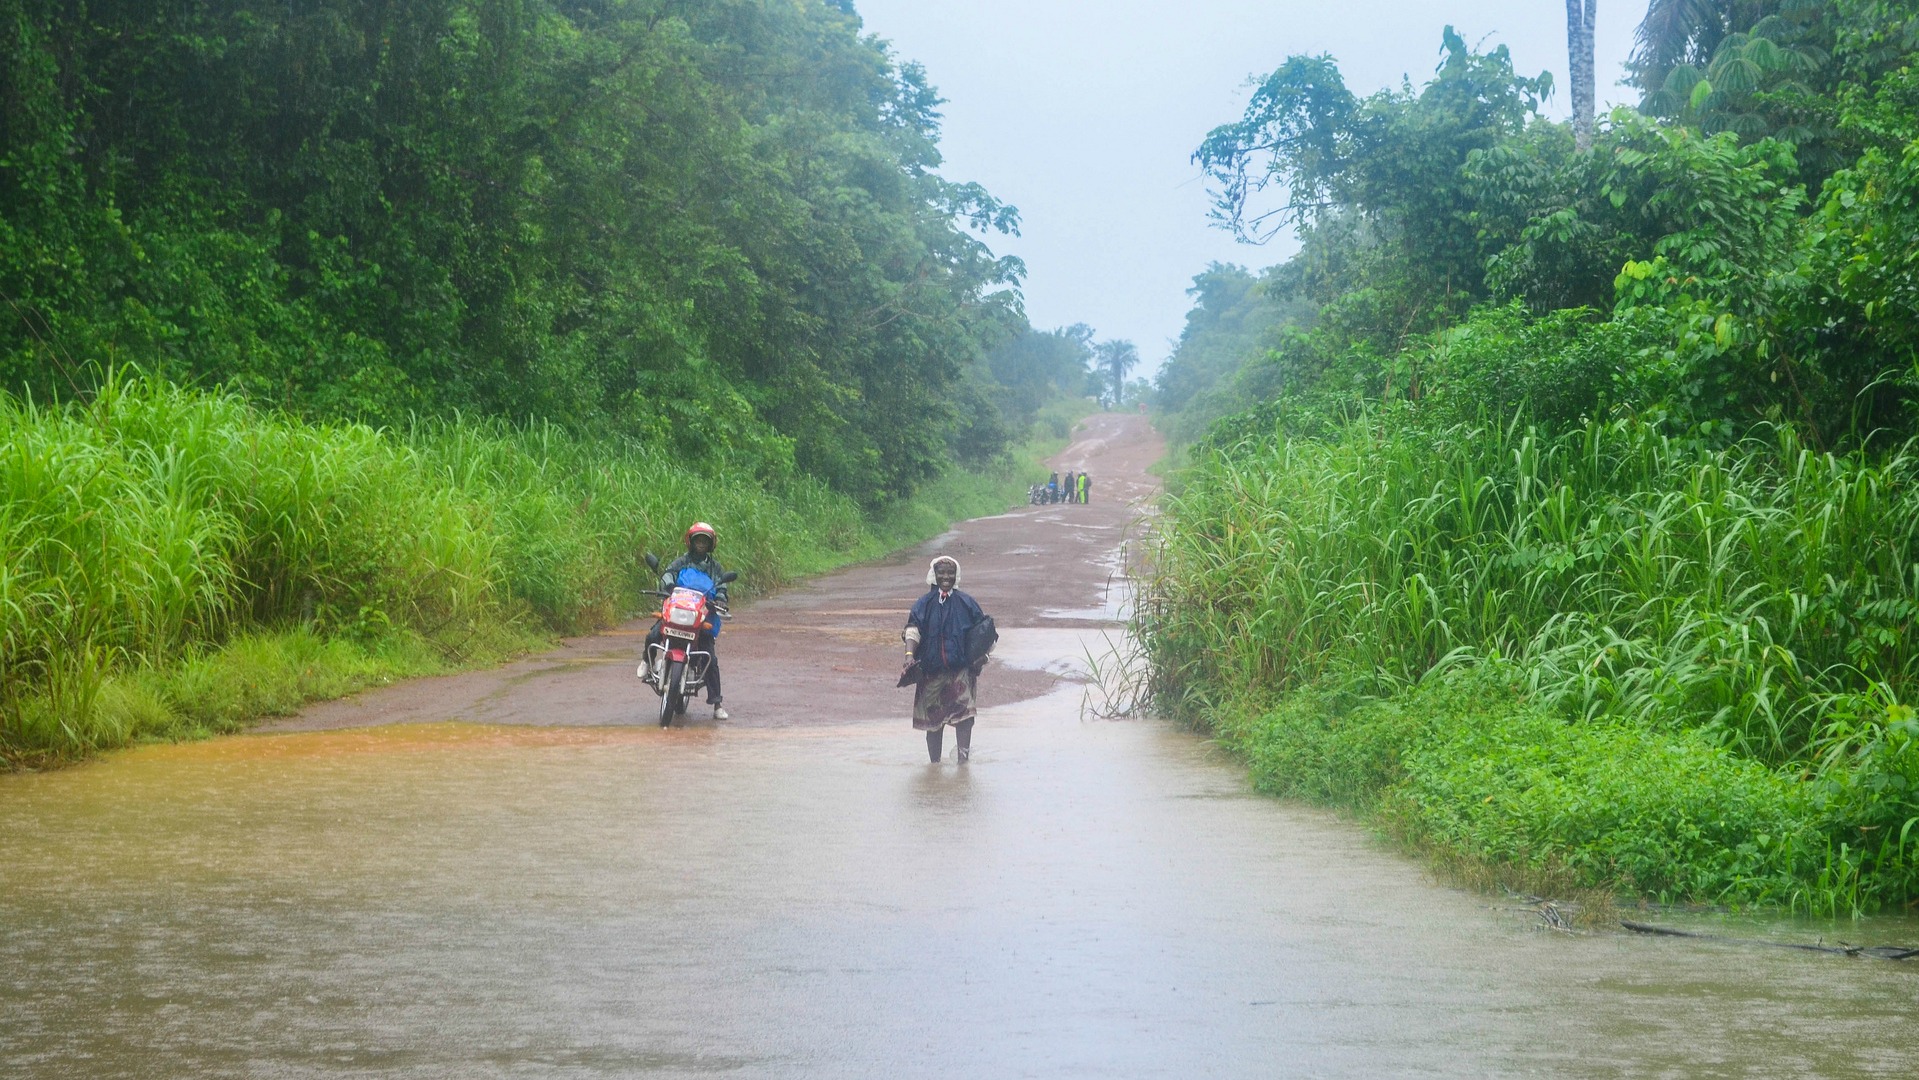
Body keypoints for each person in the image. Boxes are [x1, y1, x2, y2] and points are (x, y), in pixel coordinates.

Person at [901, 556, 988, 763]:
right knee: (933, 722)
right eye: (942, 573)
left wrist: (982, 657)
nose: (946, 577)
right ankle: (935, 765)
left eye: (950, 573)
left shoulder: (967, 603)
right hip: (930, 673)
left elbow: (984, 632)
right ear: (934, 575)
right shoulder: (923, 604)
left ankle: (963, 763)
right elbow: (912, 631)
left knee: (965, 718)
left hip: (961, 672)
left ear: (956, 576)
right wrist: (909, 657)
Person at [643, 521, 731, 720]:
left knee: (710, 656)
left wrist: (720, 599)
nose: (701, 544)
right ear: (690, 542)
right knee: (654, 633)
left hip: (700, 616)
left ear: (710, 545)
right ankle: (647, 664)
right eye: (697, 540)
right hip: (678, 612)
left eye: (704, 541)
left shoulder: (714, 567)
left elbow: (722, 588)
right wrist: (668, 585)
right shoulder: (680, 562)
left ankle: (717, 703)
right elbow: (667, 574)